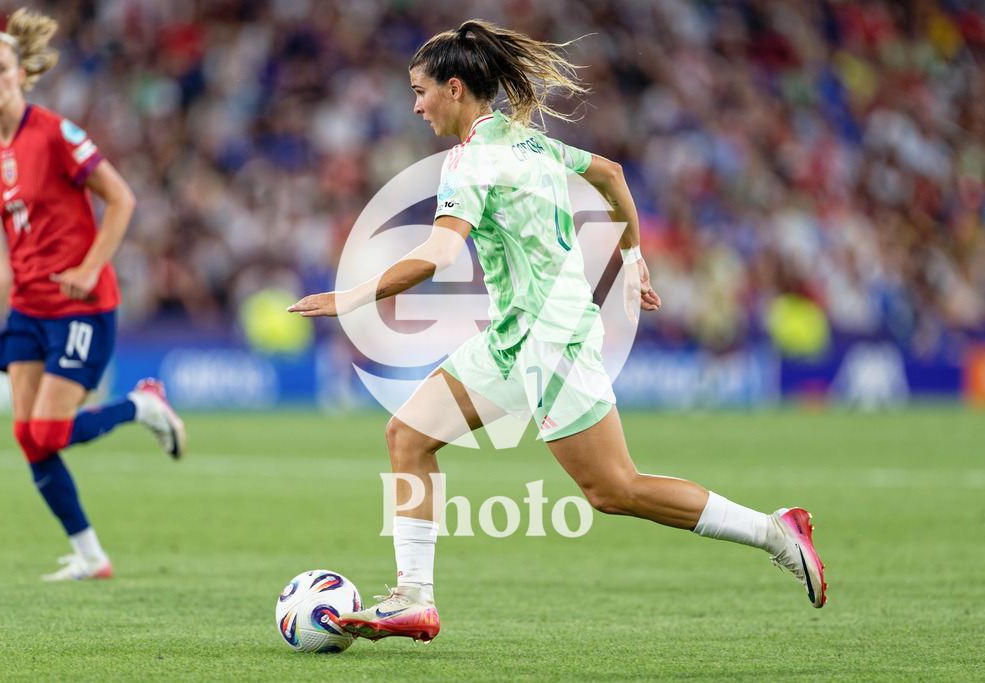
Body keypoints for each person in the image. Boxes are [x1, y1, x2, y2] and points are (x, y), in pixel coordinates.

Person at [289, 20, 826, 642]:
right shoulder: (529, 143)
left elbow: (437, 256)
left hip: (554, 338)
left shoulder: (468, 164)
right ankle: (414, 596)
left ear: (455, 89)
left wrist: (351, 298)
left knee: (613, 489)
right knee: (408, 436)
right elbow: (613, 174)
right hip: (516, 335)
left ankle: (774, 531)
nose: (415, 105)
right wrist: (632, 258)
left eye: (420, 91)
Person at [0, 9, 187, 582]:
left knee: (46, 432)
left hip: (82, 306)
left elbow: (121, 199)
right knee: (27, 438)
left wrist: (91, 267)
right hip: (27, 305)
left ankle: (142, 406)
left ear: (21, 74)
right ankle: (91, 556)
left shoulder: (54, 133)